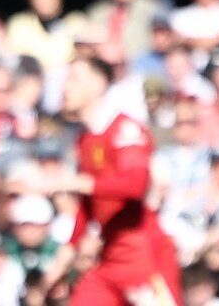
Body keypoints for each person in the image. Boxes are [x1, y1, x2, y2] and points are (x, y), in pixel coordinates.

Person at [41, 57, 182, 305]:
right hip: (109, 260)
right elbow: (88, 209)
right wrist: (62, 263)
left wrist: (80, 183)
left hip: (144, 258)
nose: (65, 87)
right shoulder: (85, 139)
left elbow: (135, 185)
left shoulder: (125, 130)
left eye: (74, 79)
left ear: (99, 84)